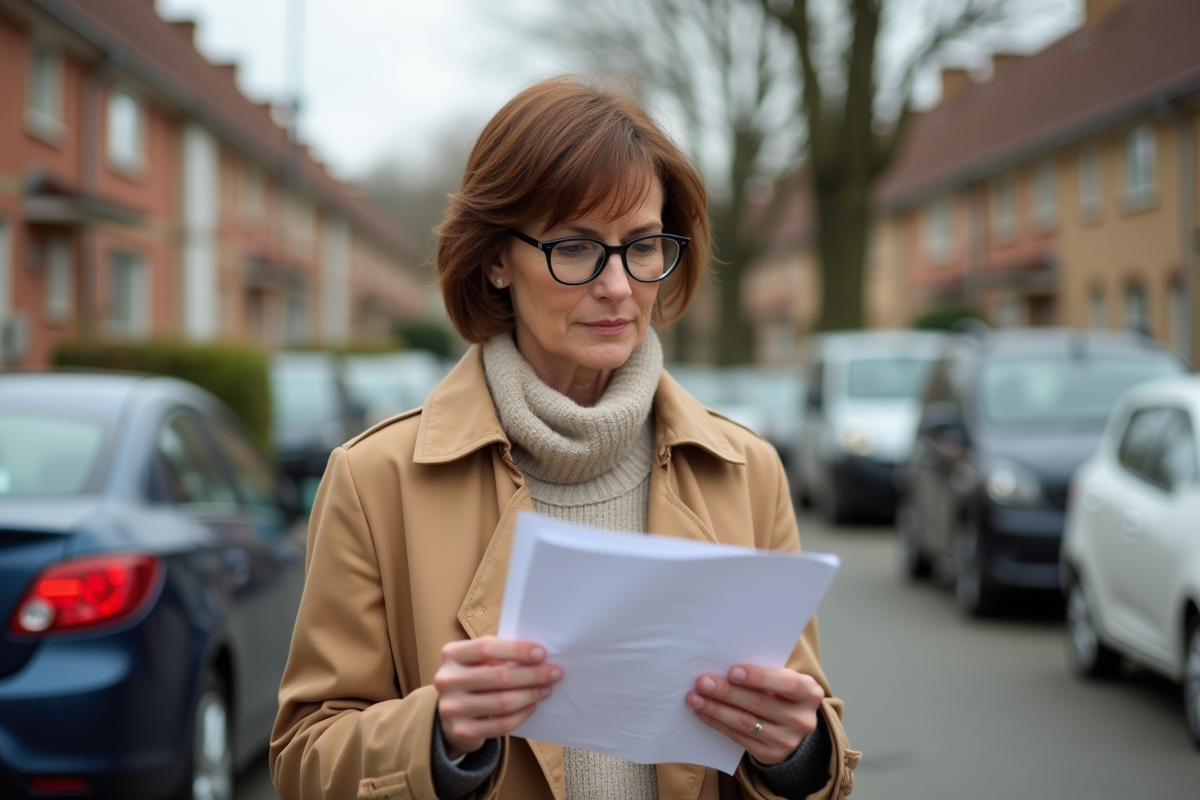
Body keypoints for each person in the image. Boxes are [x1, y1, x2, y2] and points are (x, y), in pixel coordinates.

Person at [270, 76, 859, 800]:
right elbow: (303, 759)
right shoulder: (375, 479)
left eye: (643, 246)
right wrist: (437, 736)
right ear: (494, 259)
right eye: (577, 248)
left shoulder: (747, 471)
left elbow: (804, 723)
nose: (617, 285)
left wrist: (794, 756)